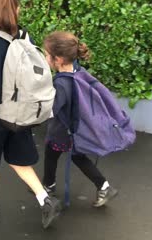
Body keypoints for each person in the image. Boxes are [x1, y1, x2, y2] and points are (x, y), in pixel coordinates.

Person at [0, 0, 61, 229]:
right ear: (16, 9)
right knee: (19, 160)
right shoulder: (24, 38)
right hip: (20, 116)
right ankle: (45, 199)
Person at [42, 31, 118, 207]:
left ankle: (48, 186)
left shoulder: (61, 83)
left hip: (61, 131)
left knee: (51, 153)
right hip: (76, 129)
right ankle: (104, 186)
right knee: (78, 157)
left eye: (46, 54)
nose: (45, 57)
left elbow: (52, 109)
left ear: (58, 59)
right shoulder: (78, 71)